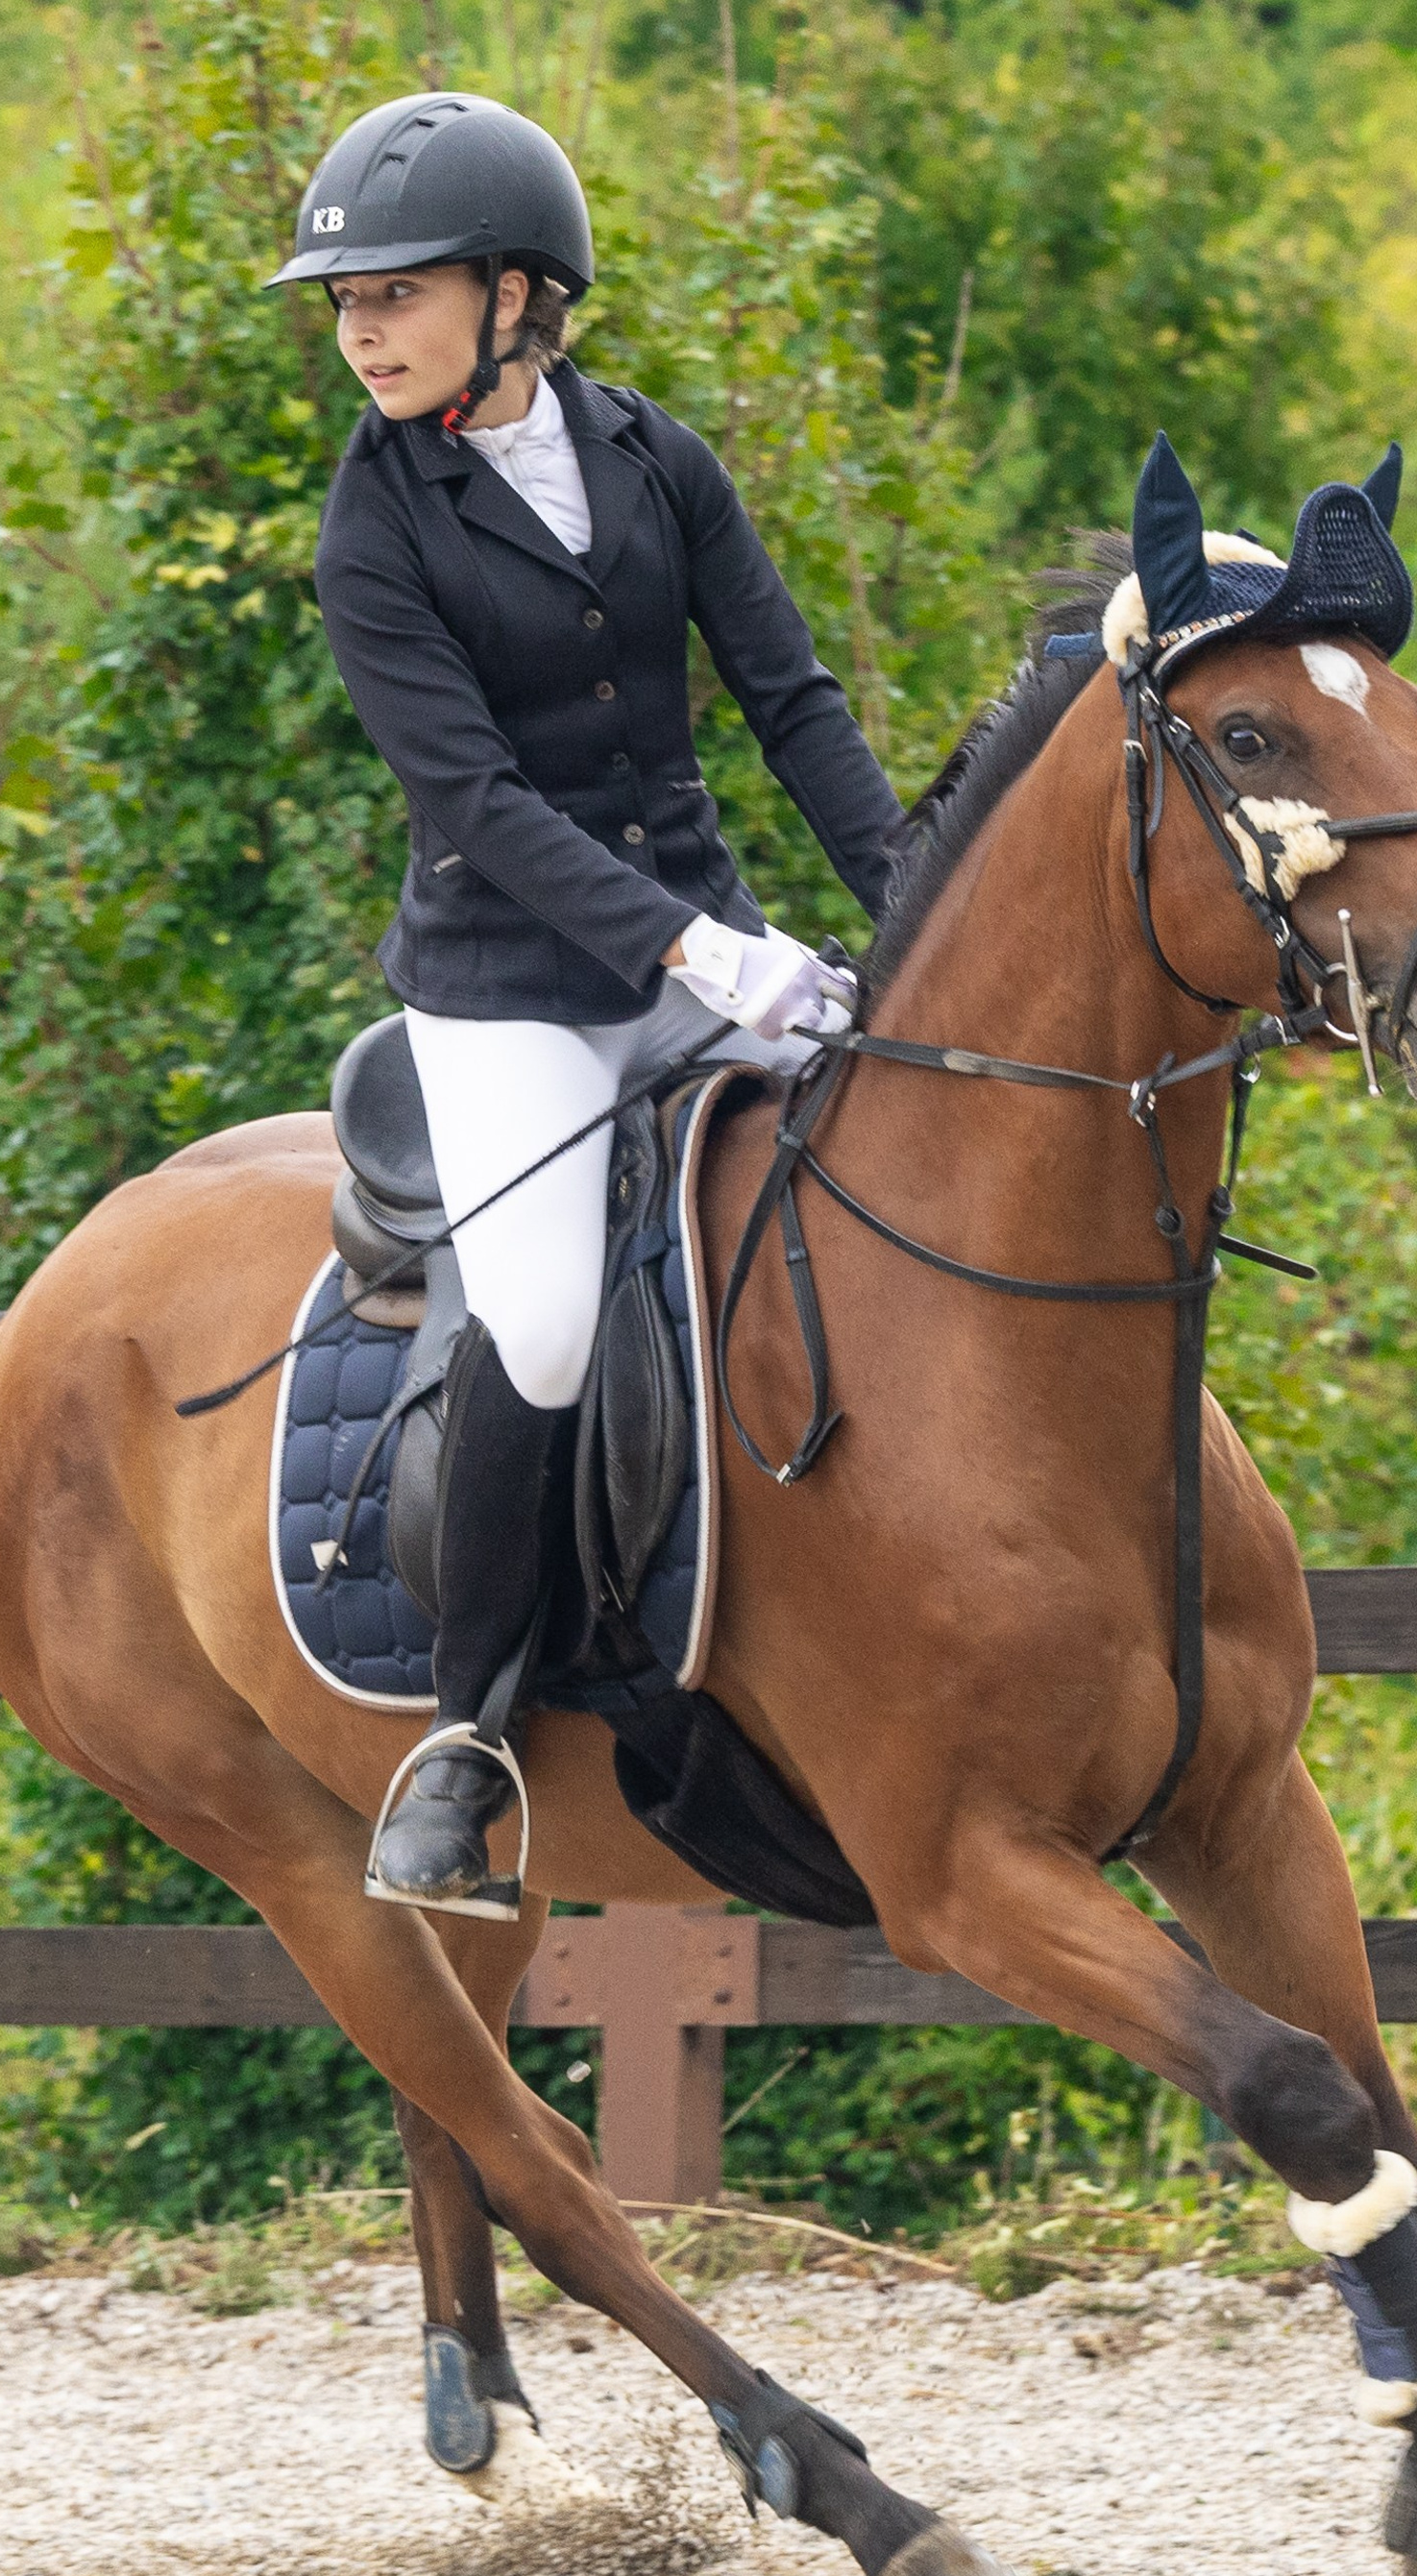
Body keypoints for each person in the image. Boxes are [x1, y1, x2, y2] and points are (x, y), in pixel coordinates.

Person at [268, 90, 905, 1912]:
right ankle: (460, 1749)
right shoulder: (371, 531)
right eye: (342, 304)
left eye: (393, 292)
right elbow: (473, 801)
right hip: (513, 994)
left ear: (519, 293)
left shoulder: (654, 460)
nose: (361, 331)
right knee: (542, 1322)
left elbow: (791, 706)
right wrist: (697, 956)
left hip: (704, 940)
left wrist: (906, 919)